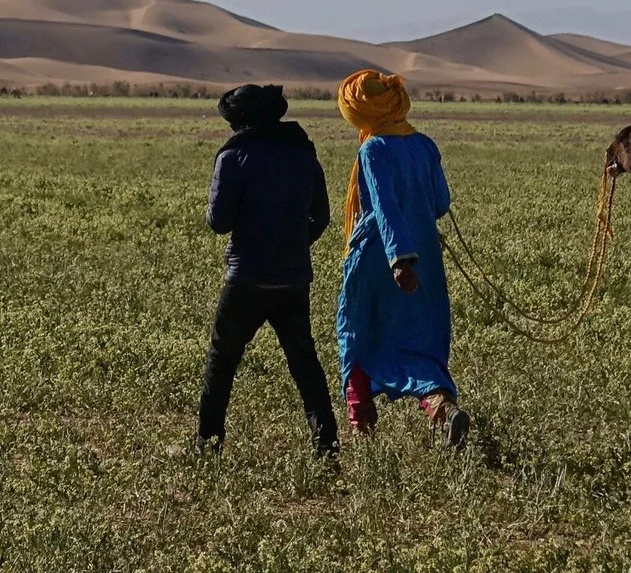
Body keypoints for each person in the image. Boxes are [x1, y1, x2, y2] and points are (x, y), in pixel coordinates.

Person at [198, 83, 338, 457]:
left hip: (246, 276)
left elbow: (218, 221)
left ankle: (208, 444)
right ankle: (327, 445)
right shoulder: (303, 152)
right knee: (304, 360)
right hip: (293, 276)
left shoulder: (235, 155)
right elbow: (321, 217)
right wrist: (291, 244)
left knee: (221, 359)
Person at [334, 69, 469, 447]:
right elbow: (441, 202)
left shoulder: (373, 149)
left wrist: (398, 259)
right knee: (421, 338)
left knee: (358, 333)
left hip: (380, 260)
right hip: (425, 257)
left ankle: (362, 431)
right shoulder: (425, 145)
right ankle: (442, 408)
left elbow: (385, 205)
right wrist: (418, 228)